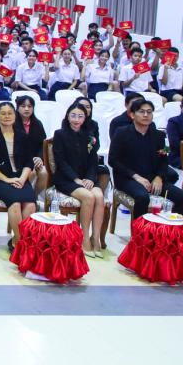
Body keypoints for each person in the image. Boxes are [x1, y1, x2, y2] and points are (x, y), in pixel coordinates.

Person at [108, 98, 183, 220]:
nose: (146, 115)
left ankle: (172, 230)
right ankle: (140, 231)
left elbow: (163, 161)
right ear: (132, 115)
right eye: (142, 112)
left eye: (149, 112)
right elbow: (113, 160)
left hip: (152, 178)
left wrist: (159, 177)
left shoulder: (159, 136)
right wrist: (136, 177)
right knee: (142, 197)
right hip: (127, 178)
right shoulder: (121, 133)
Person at [52, 101, 109, 256]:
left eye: (80, 116)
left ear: (85, 118)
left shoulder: (89, 136)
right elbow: (61, 161)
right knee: (89, 197)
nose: (76, 119)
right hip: (66, 179)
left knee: (99, 196)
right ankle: (84, 239)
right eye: (73, 115)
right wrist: (76, 179)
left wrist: (90, 178)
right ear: (67, 116)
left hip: (86, 178)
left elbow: (93, 161)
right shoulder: (60, 134)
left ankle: (95, 239)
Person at [0, 102, 39, 253]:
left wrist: (22, 179)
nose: (7, 116)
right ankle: (20, 245)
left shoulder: (22, 135)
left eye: (10, 113)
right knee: (14, 203)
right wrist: (7, 180)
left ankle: (19, 240)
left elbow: (29, 162)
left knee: (30, 204)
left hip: (19, 177)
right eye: (3, 113)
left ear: (15, 115)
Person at [13, 95, 49, 192]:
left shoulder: (38, 123)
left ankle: (35, 196)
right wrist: (29, 161)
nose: (26, 109)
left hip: (35, 160)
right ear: (17, 108)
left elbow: (42, 144)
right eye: (23, 106)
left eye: (29, 106)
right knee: (30, 173)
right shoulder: (12, 124)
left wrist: (39, 158)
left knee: (44, 173)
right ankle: (24, 195)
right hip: (18, 160)